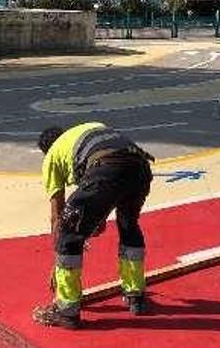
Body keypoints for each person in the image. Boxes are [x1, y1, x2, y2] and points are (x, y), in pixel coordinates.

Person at [32, 122, 154, 329]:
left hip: (106, 169)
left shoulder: (52, 156)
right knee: (128, 224)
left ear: (46, 151)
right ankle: (135, 297)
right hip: (139, 167)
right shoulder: (87, 131)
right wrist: (90, 225)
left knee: (68, 231)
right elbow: (99, 210)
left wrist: (59, 261)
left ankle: (67, 311)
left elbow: (58, 217)